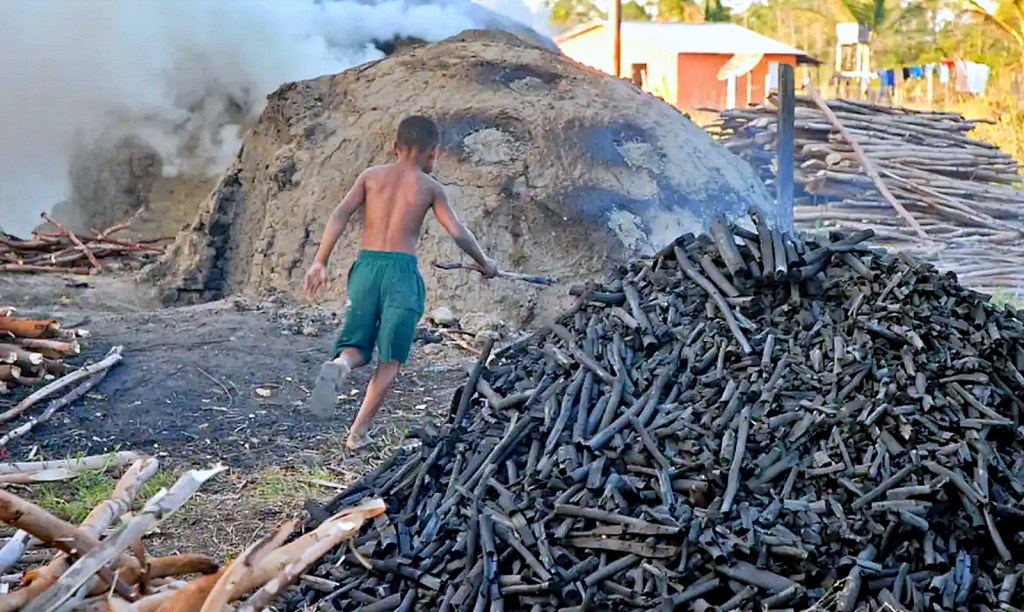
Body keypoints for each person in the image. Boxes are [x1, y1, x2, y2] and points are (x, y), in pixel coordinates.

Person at [303, 115, 498, 450]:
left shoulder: (370, 177)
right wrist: (485, 263)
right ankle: (357, 434)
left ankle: (339, 366)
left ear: (395, 147)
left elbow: (340, 214)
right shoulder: (430, 187)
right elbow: (457, 233)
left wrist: (320, 261)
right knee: (390, 359)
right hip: (401, 275)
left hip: (365, 268)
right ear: (433, 153)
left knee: (356, 347)